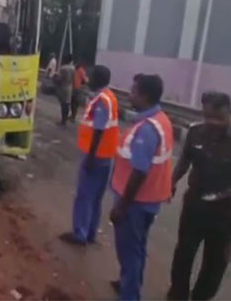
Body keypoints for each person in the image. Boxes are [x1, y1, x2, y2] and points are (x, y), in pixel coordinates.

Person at [167, 92, 231, 301]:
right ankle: (177, 296)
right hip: (195, 206)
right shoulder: (195, 132)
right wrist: (171, 181)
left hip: (226, 213)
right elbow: (184, 162)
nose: (213, 123)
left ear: (230, 114)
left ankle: (200, 298)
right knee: (183, 256)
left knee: (215, 265)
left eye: (219, 118)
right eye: (208, 117)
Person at [110, 74, 173, 301]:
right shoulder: (161, 119)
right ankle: (129, 282)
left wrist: (122, 206)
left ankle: (129, 294)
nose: (130, 94)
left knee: (129, 251)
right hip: (149, 201)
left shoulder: (146, 129)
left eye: (134, 91)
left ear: (144, 96)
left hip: (135, 203)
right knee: (137, 248)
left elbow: (140, 170)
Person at [59, 65, 119, 245]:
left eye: (91, 77)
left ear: (99, 79)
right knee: (96, 198)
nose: (88, 80)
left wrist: (91, 158)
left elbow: (99, 130)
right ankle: (90, 233)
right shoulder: (111, 97)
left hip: (97, 156)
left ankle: (80, 234)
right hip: (106, 156)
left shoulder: (102, 100)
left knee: (85, 196)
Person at [58, 54, 75, 127]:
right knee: (67, 104)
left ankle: (63, 120)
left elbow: (60, 79)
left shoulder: (63, 68)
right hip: (70, 87)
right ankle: (65, 120)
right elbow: (74, 79)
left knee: (63, 104)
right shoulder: (73, 68)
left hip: (63, 87)